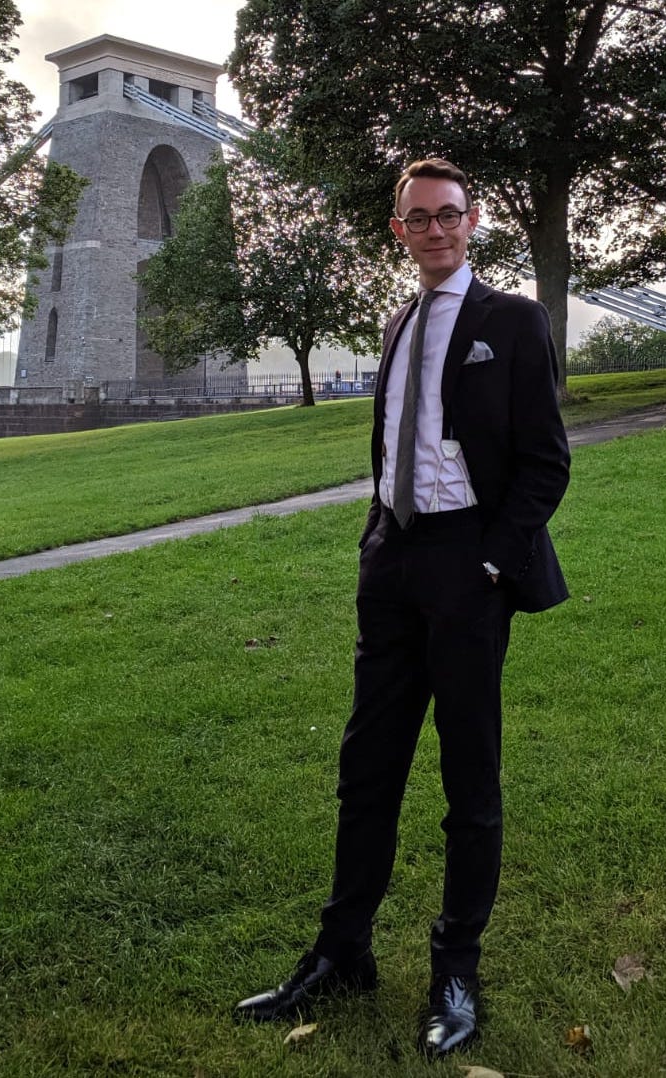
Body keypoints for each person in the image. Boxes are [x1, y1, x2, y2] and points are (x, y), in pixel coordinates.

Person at [234, 158, 571, 1058]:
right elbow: (392, 445)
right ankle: (341, 953)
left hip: (468, 566)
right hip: (391, 564)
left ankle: (455, 970)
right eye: (418, 219)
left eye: (447, 215)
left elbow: (546, 461)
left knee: (469, 777)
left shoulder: (512, 320)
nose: (434, 230)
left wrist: (491, 562)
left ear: (472, 222)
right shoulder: (398, 322)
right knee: (366, 769)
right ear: (399, 232)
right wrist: (376, 535)